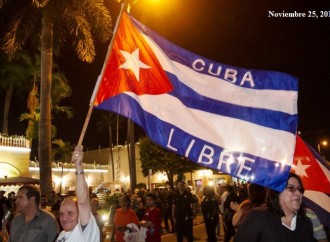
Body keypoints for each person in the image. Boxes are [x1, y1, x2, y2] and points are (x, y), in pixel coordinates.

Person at [234, 172, 314, 242]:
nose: (298, 193)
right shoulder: (258, 217)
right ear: (277, 192)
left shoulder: (306, 223)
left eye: (300, 189)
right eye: (291, 188)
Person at [56, 145, 100, 242]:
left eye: (70, 213)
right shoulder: (62, 235)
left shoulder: (84, 233)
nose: (64, 218)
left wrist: (78, 166)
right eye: (61, 214)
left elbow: (83, 202)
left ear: (81, 214)